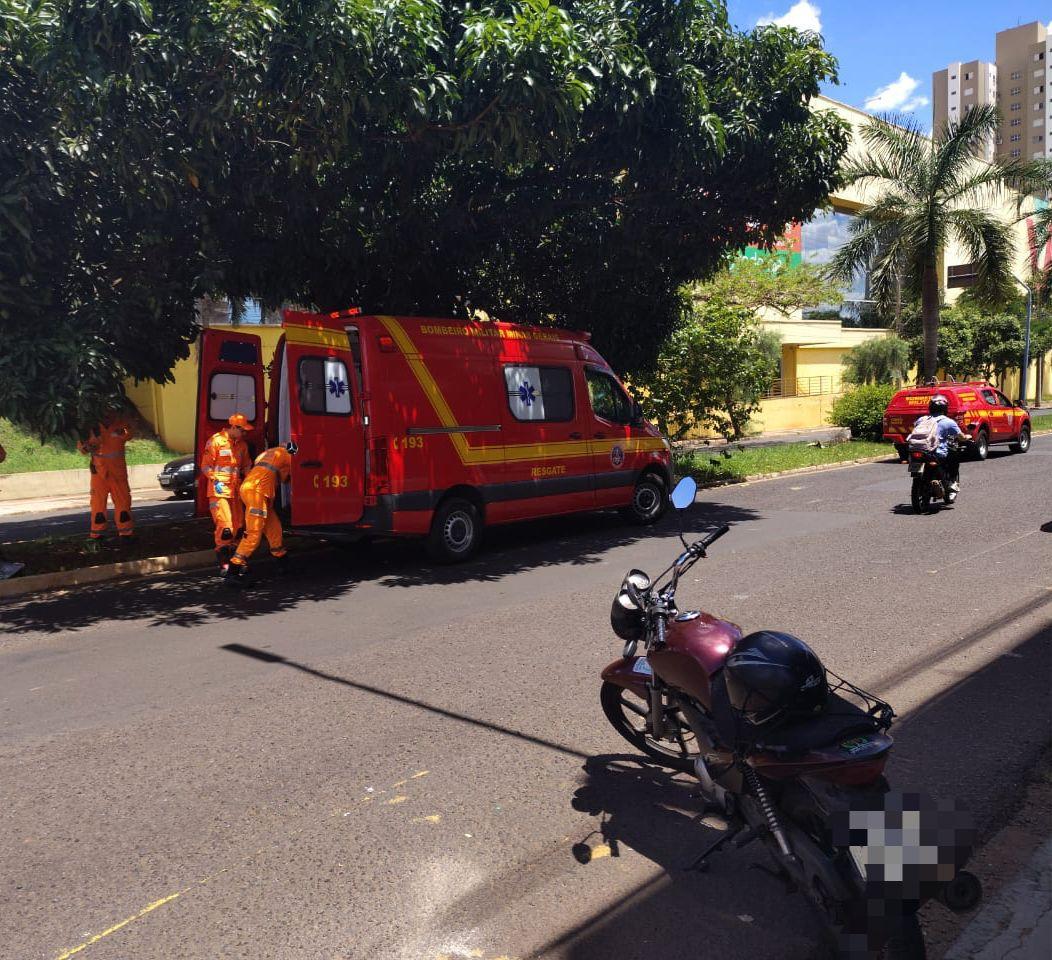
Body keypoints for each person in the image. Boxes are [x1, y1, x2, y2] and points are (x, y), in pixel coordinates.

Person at [224, 442, 297, 586]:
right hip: (257, 493)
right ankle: (233, 571)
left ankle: (283, 563)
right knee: (253, 535)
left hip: (255, 491)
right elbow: (291, 474)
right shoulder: (287, 455)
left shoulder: (267, 454)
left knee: (274, 529)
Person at [200, 413, 252, 571]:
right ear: (234, 427)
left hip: (235, 490)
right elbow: (205, 466)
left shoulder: (242, 445)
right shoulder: (216, 441)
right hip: (219, 491)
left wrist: (251, 481)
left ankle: (235, 561)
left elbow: (246, 466)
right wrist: (215, 480)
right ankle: (224, 563)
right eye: (243, 431)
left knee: (237, 526)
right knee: (226, 527)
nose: (245, 434)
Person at [78, 410, 135, 541]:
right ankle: (97, 534)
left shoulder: (121, 425)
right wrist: (89, 447)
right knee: (98, 505)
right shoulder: (92, 429)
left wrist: (127, 426)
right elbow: (82, 449)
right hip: (99, 474)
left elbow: (130, 433)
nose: (108, 415)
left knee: (123, 504)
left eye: (111, 411)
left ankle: (126, 533)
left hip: (118, 474)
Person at [913, 395, 969, 496]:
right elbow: (960, 436)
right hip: (936, 453)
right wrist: (966, 437)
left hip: (916, 450)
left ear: (930, 408)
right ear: (945, 408)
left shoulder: (921, 420)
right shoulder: (948, 422)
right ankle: (951, 482)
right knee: (954, 456)